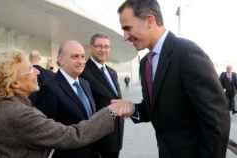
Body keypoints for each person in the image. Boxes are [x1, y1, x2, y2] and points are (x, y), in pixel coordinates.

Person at [117, 0, 230, 158]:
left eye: (128, 28)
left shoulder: (187, 53)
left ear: (149, 21)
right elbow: (154, 110)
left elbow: (217, 120)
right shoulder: (145, 64)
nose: (125, 37)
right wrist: (132, 109)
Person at [0, 50, 134, 158]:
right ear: (14, 83)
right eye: (29, 69)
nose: (38, 72)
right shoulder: (18, 113)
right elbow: (71, 135)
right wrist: (111, 111)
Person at [45, 40, 99, 158]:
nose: (81, 61)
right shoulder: (50, 88)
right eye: (75, 57)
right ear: (60, 60)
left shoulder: (85, 84)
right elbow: (47, 132)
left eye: (83, 57)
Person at [81, 34, 123, 158]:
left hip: (116, 136)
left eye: (106, 47)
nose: (103, 50)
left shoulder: (112, 72)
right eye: (99, 46)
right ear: (91, 48)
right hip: (98, 139)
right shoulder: (83, 71)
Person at [28, 50, 57, 118]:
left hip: (29, 110)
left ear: (29, 59)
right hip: (46, 112)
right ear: (40, 59)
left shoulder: (24, 74)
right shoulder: (49, 74)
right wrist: (50, 69)